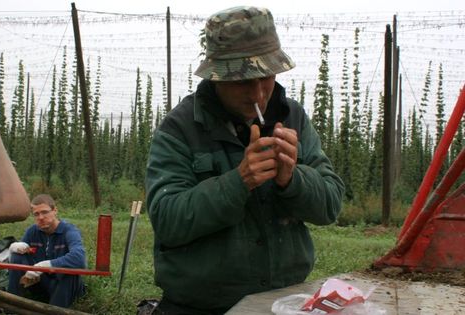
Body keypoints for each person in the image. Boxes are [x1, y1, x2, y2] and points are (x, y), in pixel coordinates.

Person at [145, 6, 345, 314]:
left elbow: (330, 205)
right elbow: (168, 219)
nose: (258, 93)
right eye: (242, 80)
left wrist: (292, 179)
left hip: (284, 303)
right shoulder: (181, 127)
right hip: (201, 307)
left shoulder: (293, 118)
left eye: (266, 76)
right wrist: (238, 182)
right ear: (216, 76)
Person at [7, 194, 86, 308]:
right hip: (41, 282)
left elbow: (79, 259)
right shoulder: (32, 231)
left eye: (45, 212)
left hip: (64, 284)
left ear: (55, 211)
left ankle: (54, 310)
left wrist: (45, 265)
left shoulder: (69, 230)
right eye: (36, 214)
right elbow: (19, 259)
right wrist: (14, 248)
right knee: (17, 255)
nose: (41, 217)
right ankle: (11, 306)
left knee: (70, 273)